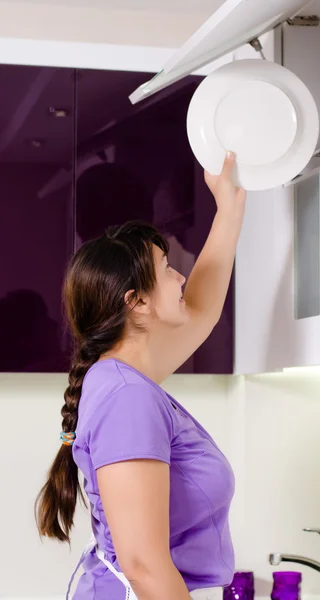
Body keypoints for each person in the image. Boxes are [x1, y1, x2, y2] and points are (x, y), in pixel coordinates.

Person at [35, 152, 246, 600]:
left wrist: (229, 207)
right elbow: (144, 568)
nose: (182, 276)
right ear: (137, 302)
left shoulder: (123, 378)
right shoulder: (126, 395)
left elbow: (204, 309)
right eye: (167, 270)